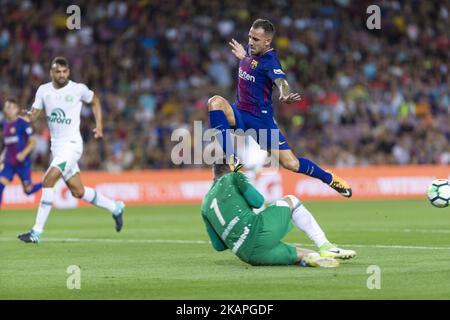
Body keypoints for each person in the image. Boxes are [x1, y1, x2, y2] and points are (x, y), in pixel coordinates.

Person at [207, 18, 352, 197]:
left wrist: (284, 93)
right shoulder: (249, 53)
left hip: (261, 122)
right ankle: (232, 158)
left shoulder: (270, 61)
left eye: (256, 39)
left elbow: (281, 81)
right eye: (250, 37)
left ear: (267, 41)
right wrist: (243, 57)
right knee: (215, 102)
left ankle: (329, 179)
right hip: (239, 114)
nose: (251, 42)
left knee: (292, 164)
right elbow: (251, 64)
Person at [17, 57, 125, 244]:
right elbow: (33, 115)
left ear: (69, 72)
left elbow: (96, 101)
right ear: (51, 72)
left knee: (48, 180)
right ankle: (115, 207)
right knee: (78, 191)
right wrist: (22, 116)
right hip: (57, 148)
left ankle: (36, 233)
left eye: (64, 71)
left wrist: (99, 126)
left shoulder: (78, 89)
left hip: (73, 145)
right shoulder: (43, 90)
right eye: (57, 72)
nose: (61, 75)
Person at [201, 159, 356, 267]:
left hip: (247, 255)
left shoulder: (205, 203)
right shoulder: (234, 176)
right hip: (258, 232)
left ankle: (312, 258)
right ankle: (325, 245)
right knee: (291, 200)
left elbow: (218, 246)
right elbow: (258, 201)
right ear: (231, 166)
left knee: (306, 255)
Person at [0, 98, 42, 208]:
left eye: (11, 107)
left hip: (22, 163)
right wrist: (2, 155)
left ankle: (45, 183)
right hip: (9, 162)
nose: (9, 110)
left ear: (16, 109)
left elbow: (33, 142)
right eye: (7, 107)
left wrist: (23, 154)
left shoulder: (22, 123)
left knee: (28, 191)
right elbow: (7, 144)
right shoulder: (4, 124)